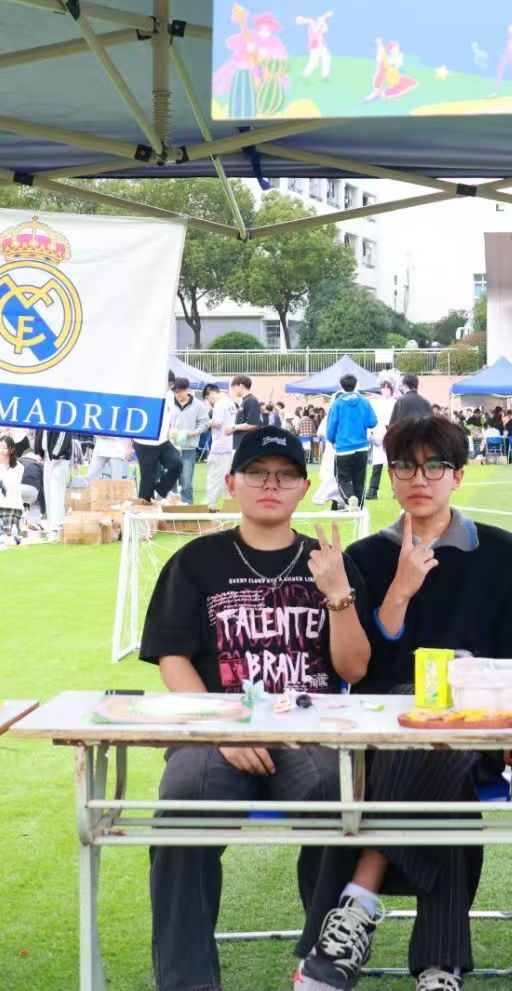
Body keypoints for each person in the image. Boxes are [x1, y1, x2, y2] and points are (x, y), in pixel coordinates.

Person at [295, 416, 512, 991]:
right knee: (441, 781)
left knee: (440, 745)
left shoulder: (501, 553)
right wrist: (400, 589)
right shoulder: (366, 557)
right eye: (404, 466)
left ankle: (356, 903)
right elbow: (363, 669)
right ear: (391, 474)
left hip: (478, 727)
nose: (418, 479)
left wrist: (484, 693)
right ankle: (440, 966)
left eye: (434, 467)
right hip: (385, 737)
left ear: (458, 475)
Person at [140, 427, 372, 991]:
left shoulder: (329, 562)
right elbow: (173, 659)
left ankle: (321, 965)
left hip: (308, 730)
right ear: (231, 482)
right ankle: (189, 983)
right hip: (217, 730)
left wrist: (337, 594)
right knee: (182, 804)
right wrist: (222, 729)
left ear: (304, 488)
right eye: (258, 473)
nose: (271, 485)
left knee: (338, 794)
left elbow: (354, 669)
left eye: (286, 475)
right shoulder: (196, 562)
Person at [326, 374, 378, 509]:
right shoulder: (364, 402)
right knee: (359, 481)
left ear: (341, 386)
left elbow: (331, 428)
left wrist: (332, 440)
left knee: (342, 479)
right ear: (356, 385)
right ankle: (359, 510)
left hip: (343, 449)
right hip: (362, 448)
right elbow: (373, 422)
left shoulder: (337, 403)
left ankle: (350, 497)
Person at [134, 373, 183, 503]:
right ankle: (144, 507)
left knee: (177, 463)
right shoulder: (146, 393)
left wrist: (170, 434)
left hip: (163, 441)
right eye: (168, 383)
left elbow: (168, 417)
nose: (169, 386)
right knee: (148, 479)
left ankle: (160, 491)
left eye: (171, 384)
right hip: (145, 441)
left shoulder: (170, 395)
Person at [168, 377, 209, 505]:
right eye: (175, 392)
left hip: (189, 447)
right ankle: (170, 507)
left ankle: (187, 507)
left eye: (180, 392)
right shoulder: (169, 403)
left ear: (187, 390)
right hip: (170, 448)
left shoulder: (198, 405)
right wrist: (168, 432)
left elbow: (204, 423)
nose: (177, 395)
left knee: (186, 481)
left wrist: (193, 433)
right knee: (170, 480)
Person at [32, 427, 75, 533]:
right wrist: (38, 452)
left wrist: (57, 454)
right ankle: (52, 520)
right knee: (48, 490)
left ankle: (57, 522)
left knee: (56, 489)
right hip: (47, 456)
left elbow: (64, 433)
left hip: (60, 458)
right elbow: (38, 431)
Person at [0, 434, 25, 543]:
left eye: (4, 448)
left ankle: (5, 527)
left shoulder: (19, 467)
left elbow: (11, 486)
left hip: (12, 506)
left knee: (9, 536)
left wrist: (0, 467)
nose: (1, 451)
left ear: (11, 450)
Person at [203, 383, 237, 509]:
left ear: (211, 393)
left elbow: (217, 423)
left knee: (214, 476)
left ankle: (210, 504)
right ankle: (230, 504)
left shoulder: (219, 404)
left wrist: (204, 421)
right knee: (227, 477)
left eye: (208, 398)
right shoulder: (230, 402)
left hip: (220, 445)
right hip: (230, 445)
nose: (209, 401)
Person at [365, 380, 396, 501]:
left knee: (393, 464)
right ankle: (372, 490)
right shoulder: (377, 403)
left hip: (392, 434)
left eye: (387, 388)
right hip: (379, 434)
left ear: (391, 389)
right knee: (377, 464)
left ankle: (396, 490)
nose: (385, 390)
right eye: (383, 388)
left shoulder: (396, 402)